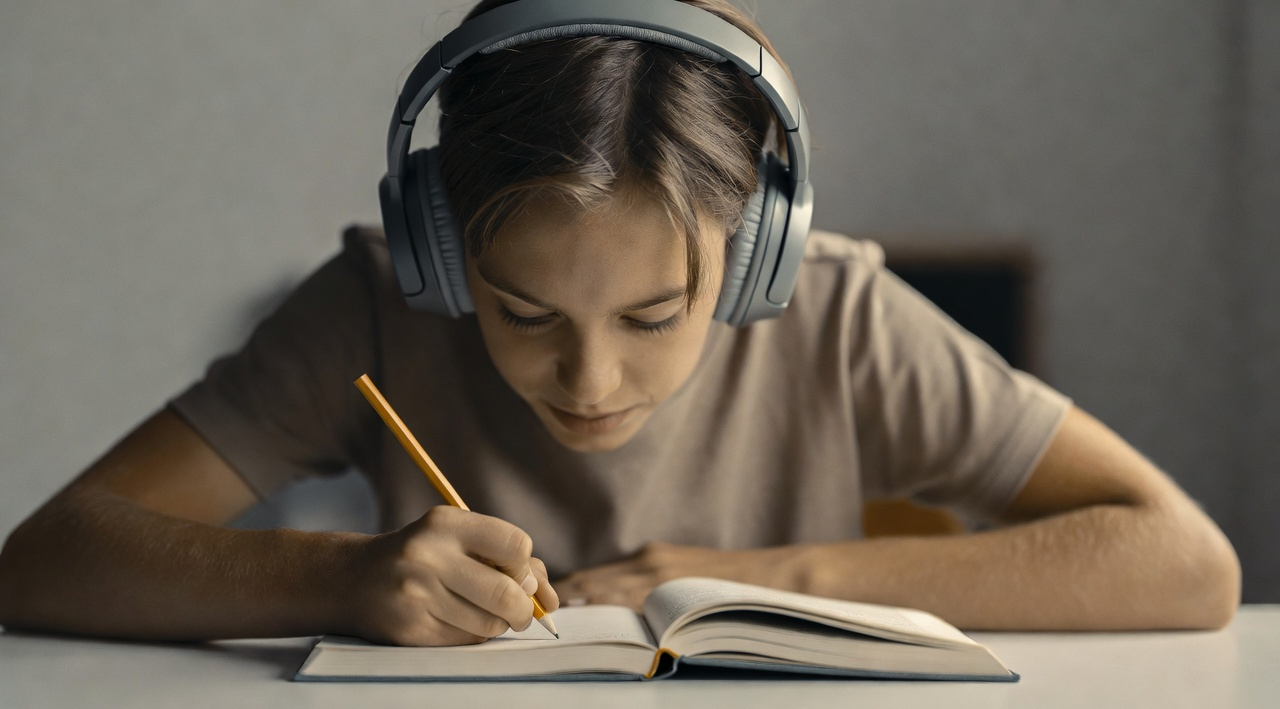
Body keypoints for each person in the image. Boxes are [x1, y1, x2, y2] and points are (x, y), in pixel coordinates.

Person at [0, 0, 1240, 647]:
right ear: (441, 248)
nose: (588, 377)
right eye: (521, 309)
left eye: (654, 314)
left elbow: (1184, 564)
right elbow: (45, 558)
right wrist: (339, 579)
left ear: (755, 258)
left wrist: (765, 582)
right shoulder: (377, 304)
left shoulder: (841, 316)